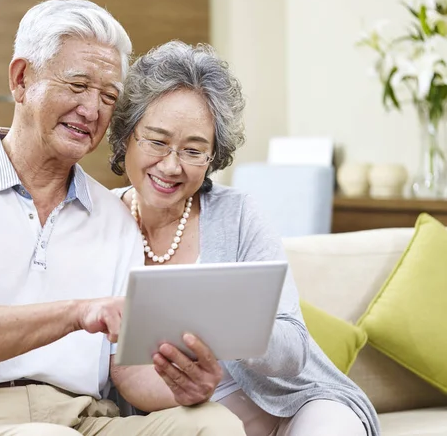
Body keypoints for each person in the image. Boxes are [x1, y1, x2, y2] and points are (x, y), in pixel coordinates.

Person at [0, 0, 246, 436]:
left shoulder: (113, 217)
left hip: (81, 420)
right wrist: (77, 313)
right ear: (21, 79)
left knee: (213, 423)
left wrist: (188, 385)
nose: (92, 110)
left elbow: (128, 373)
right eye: (77, 85)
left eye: (108, 95)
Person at [108, 40, 381, 436]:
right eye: (157, 141)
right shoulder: (98, 221)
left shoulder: (237, 214)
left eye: (193, 150)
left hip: (295, 405)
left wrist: (223, 320)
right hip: (188, 422)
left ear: (212, 156)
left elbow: (293, 349)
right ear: (127, 136)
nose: (171, 165)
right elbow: (111, 371)